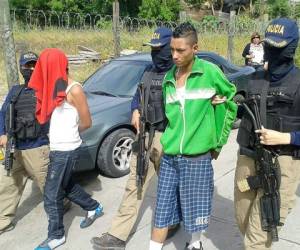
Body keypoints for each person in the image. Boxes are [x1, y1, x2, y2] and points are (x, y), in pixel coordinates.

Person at [149, 22, 237, 250]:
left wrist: (217, 141)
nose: (174, 56)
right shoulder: (169, 77)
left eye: (181, 50)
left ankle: (195, 243)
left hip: (197, 157)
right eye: (172, 50)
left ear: (195, 48)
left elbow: (231, 101)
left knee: (195, 208)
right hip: (170, 156)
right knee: (162, 209)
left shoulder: (209, 72)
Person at [91, 27, 179, 250]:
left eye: (160, 49)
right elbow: (139, 95)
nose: (155, 54)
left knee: (171, 186)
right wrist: (135, 110)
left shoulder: (180, 73)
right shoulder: (148, 71)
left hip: (169, 137)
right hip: (144, 136)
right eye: (153, 49)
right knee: (135, 183)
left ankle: (175, 219)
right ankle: (117, 235)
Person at [234, 18, 300, 250]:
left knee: (258, 234)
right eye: (269, 45)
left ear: (292, 48)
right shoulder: (256, 78)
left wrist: (287, 138)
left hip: (282, 162)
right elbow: (246, 109)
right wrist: (227, 105)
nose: (271, 51)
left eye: (278, 47)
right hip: (248, 158)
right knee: (242, 218)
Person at [30, 48, 103, 250]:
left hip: (67, 150)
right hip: (57, 148)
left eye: (45, 67)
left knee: (51, 194)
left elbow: (87, 122)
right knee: (67, 185)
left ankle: (56, 236)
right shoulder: (55, 87)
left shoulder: (74, 90)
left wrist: (71, 132)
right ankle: (94, 207)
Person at [0, 52, 51, 235]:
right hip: (14, 148)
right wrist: (2, 134)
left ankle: (63, 203)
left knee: (48, 184)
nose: (30, 69)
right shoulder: (15, 91)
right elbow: (3, 113)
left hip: (37, 147)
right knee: (7, 185)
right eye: (27, 66)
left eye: (33, 66)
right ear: (21, 68)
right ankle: (3, 222)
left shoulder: (46, 90)